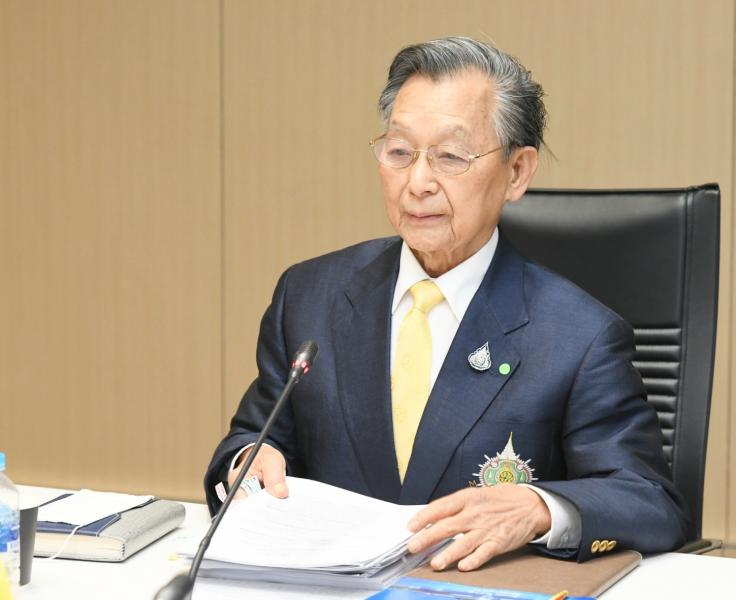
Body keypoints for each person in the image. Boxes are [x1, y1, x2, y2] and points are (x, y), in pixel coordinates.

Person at [204, 36, 689, 571]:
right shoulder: (310, 295)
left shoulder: (578, 335)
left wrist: (537, 508)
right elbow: (254, 438)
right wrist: (247, 463)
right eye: (399, 152)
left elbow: (650, 501)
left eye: (451, 156)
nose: (417, 183)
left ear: (517, 172)